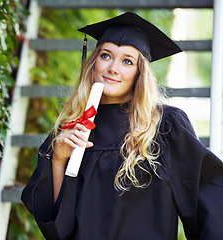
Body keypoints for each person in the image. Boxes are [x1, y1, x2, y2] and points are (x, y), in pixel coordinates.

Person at [21, 12, 223, 240]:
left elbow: (209, 198)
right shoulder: (71, 131)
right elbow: (57, 230)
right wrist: (58, 161)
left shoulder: (165, 126)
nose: (113, 68)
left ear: (140, 73)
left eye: (127, 61)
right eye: (106, 55)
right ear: (94, 62)